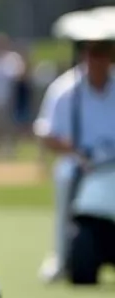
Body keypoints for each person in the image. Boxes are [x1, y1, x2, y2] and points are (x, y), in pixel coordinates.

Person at [33, 37, 115, 282]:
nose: (98, 60)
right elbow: (46, 133)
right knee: (65, 176)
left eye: (104, 52)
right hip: (80, 162)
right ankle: (61, 255)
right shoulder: (65, 90)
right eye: (93, 52)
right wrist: (70, 149)